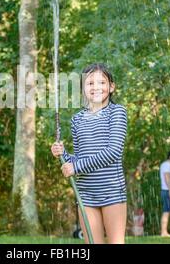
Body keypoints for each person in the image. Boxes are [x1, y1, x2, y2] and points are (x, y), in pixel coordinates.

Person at [50, 63, 128, 244]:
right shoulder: (77, 119)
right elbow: (79, 158)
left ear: (111, 87)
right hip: (85, 193)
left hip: (112, 191)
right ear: (83, 88)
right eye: (90, 83)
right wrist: (63, 155)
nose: (96, 87)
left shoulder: (117, 112)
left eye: (101, 82)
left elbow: (113, 152)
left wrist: (75, 167)